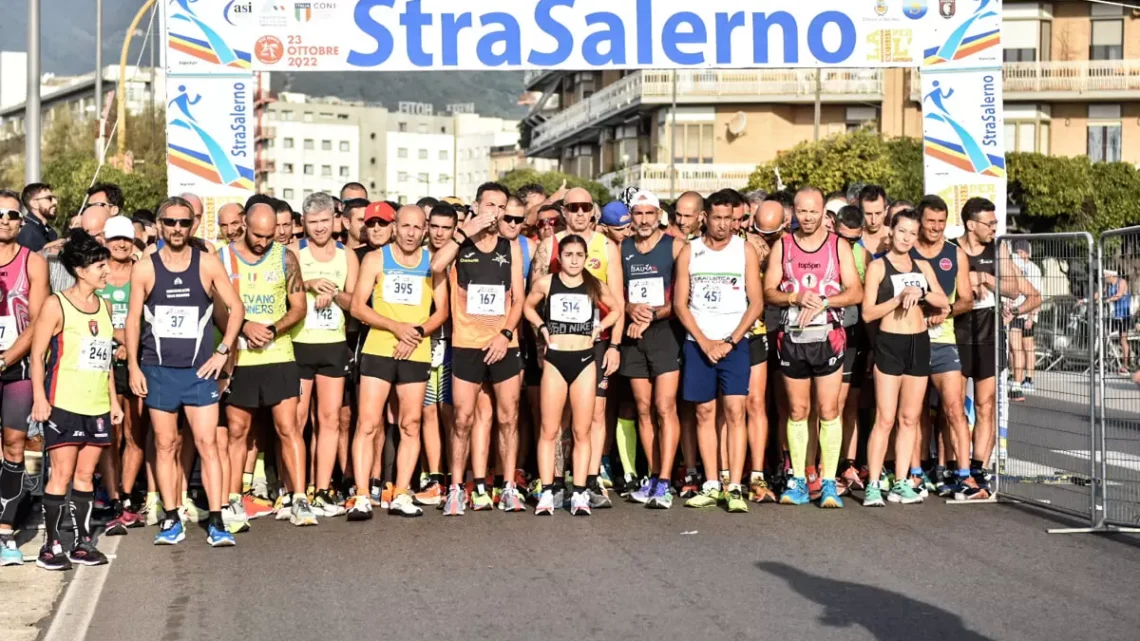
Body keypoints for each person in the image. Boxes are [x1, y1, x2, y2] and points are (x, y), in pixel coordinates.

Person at [125, 197, 244, 546]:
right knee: (165, 444)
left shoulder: (207, 264)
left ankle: (218, 519)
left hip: (199, 372)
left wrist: (223, 352)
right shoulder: (145, 268)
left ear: (192, 226)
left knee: (208, 444)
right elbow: (133, 320)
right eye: (170, 222)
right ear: (160, 225)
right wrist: (133, 366)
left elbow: (236, 308)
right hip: (159, 370)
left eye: (183, 222)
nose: (177, 228)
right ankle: (172, 517)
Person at [764, 187, 863, 508]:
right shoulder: (784, 244)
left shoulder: (838, 246)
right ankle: (799, 481)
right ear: (793, 212)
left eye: (813, 211)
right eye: (801, 211)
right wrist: (793, 297)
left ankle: (830, 481)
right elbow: (769, 291)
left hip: (830, 337)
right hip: (792, 338)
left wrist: (824, 301)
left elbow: (856, 292)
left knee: (829, 410)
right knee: (797, 411)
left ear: (824, 213)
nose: (807, 218)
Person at [30, 230, 123, 570]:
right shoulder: (57, 304)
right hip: (64, 403)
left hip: (97, 404)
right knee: (61, 475)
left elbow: (106, 359)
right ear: (81, 269)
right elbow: (38, 355)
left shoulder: (105, 306)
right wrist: (40, 399)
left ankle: (82, 543)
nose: (106, 272)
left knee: (86, 477)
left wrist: (113, 401)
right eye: (100, 265)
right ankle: (51, 545)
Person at [430, 182, 526, 516]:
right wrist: (463, 232)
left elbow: (519, 297)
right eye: (490, 205)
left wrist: (505, 333)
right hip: (467, 343)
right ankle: (457, 488)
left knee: (508, 417)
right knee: (463, 419)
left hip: (503, 342)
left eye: (501, 207)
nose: (496, 213)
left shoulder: (510, 246)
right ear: (476, 206)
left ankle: (509, 487)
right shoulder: (462, 240)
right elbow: (436, 266)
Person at [348, 205, 449, 520]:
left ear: (425, 230)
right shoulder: (376, 259)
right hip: (380, 348)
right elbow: (357, 307)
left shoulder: (433, 264)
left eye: (417, 228)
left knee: (411, 424)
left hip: (416, 350)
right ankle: (362, 495)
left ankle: (402, 492)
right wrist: (396, 328)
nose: (410, 233)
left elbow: (442, 311)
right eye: (405, 226)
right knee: (367, 423)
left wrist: (416, 333)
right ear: (395, 227)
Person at [218, 203, 314, 527]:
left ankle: (299, 498)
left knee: (288, 427)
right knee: (237, 431)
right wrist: (244, 328)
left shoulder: (284, 257)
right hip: (240, 356)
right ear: (243, 224)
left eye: (269, 235)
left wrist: (272, 329)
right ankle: (233, 500)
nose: (263, 242)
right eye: (258, 235)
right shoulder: (223, 258)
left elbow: (299, 306)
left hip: (278, 354)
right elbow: (218, 309)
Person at [531, 187, 624, 508]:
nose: (580, 213)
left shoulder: (606, 245)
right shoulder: (549, 245)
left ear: (593, 212)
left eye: (586, 207)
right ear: (564, 211)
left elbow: (618, 302)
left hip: (594, 345)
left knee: (594, 414)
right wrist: (542, 341)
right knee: (557, 418)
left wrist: (614, 344)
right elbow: (537, 297)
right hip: (557, 345)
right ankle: (555, 482)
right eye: (573, 207)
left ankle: (590, 481)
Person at [673, 190, 764, 513]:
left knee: (736, 412)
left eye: (729, 218)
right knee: (704, 413)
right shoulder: (690, 252)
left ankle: (735, 486)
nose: (723, 225)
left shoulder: (745, 250)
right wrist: (704, 341)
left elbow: (756, 303)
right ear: (705, 218)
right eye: (717, 218)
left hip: (734, 344)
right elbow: (680, 304)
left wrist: (730, 341)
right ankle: (711, 483)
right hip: (699, 344)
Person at [860, 209, 949, 506]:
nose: (907, 238)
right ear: (891, 232)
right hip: (890, 342)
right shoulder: (878, 266)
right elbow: (868, 312)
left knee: (910, 417)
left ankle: (901, 481)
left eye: (912, 233)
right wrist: (897, 299)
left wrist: (920, 292)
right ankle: (873, 483)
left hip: (918, 343)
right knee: (885, 418)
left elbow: (942, 301)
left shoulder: (922, 265)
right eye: (902, 232)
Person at [955, 197, 1040, 500]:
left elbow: (1015, 288)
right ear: (970, 224)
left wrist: (986, 277)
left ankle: (979, 469)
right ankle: (955, 469)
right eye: (989, 223)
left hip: (990, 332)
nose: (994, 228)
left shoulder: (998, 248)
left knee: (985, 406)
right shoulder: (954, 249)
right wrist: (967, 279)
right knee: (952, 409)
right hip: (956, 330)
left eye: (995, 223)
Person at [290, 193, 358, 517]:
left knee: (329, 420)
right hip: (299, 344)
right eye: (312, 222)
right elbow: (283, 292)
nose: (318, 228)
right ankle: (296, 491)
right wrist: (309, 283)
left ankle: (321, 489)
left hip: (333, 344)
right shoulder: (294, 252)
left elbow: (355, 303)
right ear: (303, 223)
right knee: (297, 420)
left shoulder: (348, 256)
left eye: (324, 221)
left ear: (335, 220)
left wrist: (333, 292)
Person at [620, 190, 685, 509]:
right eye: (638, 214)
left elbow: (684, 297)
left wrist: (651, 316)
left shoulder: (675, 246)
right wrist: (631, 307)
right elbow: (617, 290)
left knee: (664, 407)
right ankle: (653, 474)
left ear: (659, 215)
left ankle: (665, 481)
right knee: (643, 408)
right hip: (634, 335)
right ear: (631, 218)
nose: (643, 220)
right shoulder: (624, 247)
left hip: (665, 333)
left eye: (649, 214)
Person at [910, 196, 978, 498]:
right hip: (910, 341)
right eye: (930, 222)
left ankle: (965, 476)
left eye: (941, 222)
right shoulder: (905, 250)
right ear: (920, 221)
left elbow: (967, 299)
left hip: (944, 342)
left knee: (954, 409)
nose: (936, 227)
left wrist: (947, 310)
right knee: (913, 413)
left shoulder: (955, 254)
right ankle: (914, 474)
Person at [0, 191, 49, 566]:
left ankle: (6, 529)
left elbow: (38, 322)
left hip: (13, 367)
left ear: (21, 220)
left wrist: (7, 358)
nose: (5, 220)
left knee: (15, 444)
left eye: (12, 214)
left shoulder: (33, 261)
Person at [99, 217, 149, 535]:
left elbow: (150, 316)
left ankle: (127, 497)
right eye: (115, 238)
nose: (121, 244)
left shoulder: (143, 271)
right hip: (103, 363)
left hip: (138, 361)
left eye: (126, 239)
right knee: (111, 436)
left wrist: (130, 346)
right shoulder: (96, 271)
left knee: (135, 433)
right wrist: (119, 339)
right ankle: (113, 496)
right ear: (105, 240)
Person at [419, 204, 459, 505]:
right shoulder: (418, 256)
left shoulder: (462, 254)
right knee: (426, 411)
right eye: (435, 226)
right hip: (423, 343)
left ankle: (453, 475)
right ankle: (434, 476)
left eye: (446, 228)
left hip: (455, 344)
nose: (439, 233)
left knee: (451, 413)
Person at [832, 206, 872, 494]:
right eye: (844, 239)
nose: (849, 245)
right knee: (826, 404)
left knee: (849, 404)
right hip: (825, 331)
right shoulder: (823, 247)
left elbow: (868, 301)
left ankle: (847, 463)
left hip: (854, 332)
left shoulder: (864, 254)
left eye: (854, 240)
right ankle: (825, 467)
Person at [1009, 239, 1043, 394]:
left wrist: (1031, 316)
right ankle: (1014, 374)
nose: (1019, 254)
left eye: (1022, 252)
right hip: (1016, 311)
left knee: (1027, 347)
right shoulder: (1015, 266)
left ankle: (1029, 378)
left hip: (1028, 312)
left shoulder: (1033, 269)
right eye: (1017, 252)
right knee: (1014, 346)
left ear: (1028, 253)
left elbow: (1036, 294)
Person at [17, 183, 59, 252]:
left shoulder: (48, 229)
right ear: (34, 204)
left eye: (55, 198)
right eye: (49, 198)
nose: (55, 202)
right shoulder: (28, 231)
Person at [1105, 269, 1131, 374]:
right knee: (1109, 337)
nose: (1104, 278)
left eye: (1105, 275)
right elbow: (1099, 294)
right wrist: (1086, 300)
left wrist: (1108, 300)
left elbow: (1119, 294)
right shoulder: (1108, 286)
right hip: (1115, 316)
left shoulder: (1122, 282)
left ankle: (1125, 366)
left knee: (1123, 340)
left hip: (1124, 315)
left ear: (1111, 275)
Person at [858, 185, 890, 258]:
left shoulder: (897, 238)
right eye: (868, 214)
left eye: (878, 213)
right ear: (860, 212)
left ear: (886, 211)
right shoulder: (854, 239)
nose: (873, 221)